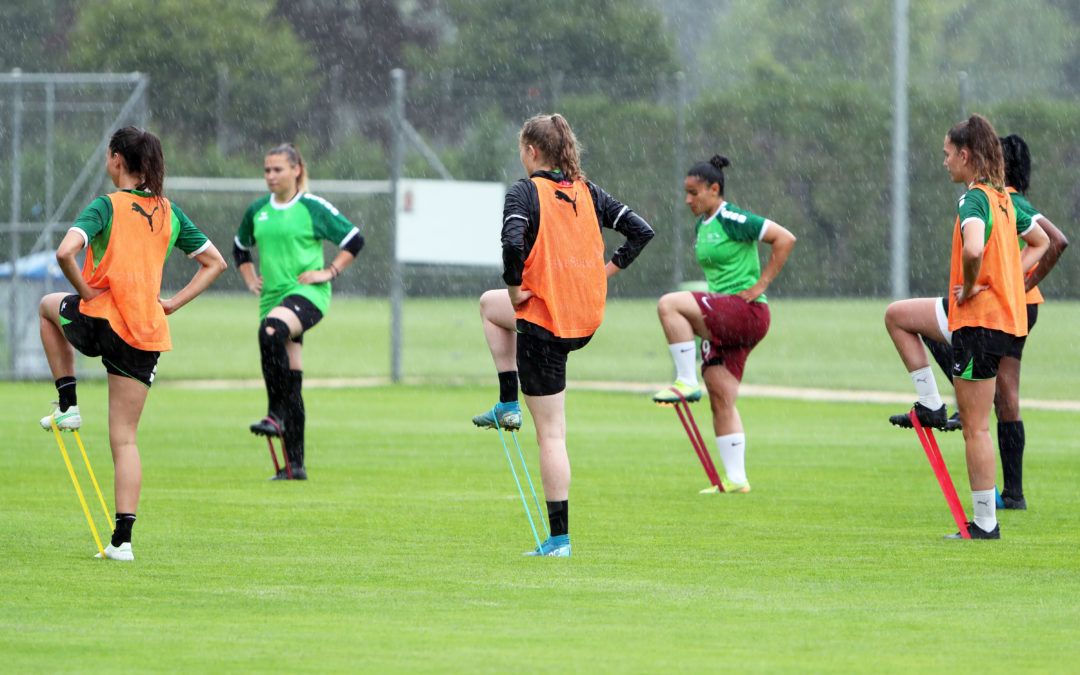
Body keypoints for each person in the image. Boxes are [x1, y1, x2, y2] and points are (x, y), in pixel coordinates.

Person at [38, 126, 228, 560]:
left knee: (48, 306)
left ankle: (67, 402)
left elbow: (65, 252)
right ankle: (122, 542)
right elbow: (214, 263)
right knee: (124, 440)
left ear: (116, 159)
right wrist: (174, 304)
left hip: (101, 320)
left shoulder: (106, 206)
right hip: (145, 334)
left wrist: (86, 293)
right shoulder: (168, 211)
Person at [471, 114, 654, 557]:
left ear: (532, 151)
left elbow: (513, 244)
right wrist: (603, 274)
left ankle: (558, 540)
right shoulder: (587, 192)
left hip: (545, 324)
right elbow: (641, 231)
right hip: (580, 319)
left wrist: (516, 288)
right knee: (490, 306)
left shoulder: (525, 190)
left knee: (551, 436)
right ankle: (507, 402)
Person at [883, 114, 1049, 540]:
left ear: (965, 154)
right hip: (998, 323)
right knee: (898, 316)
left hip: (978, 322)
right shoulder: (1004, 198)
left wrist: (972, 284)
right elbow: (1044, 242)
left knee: (976, 427)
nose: (944, 163)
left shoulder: (973, 199)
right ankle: (930, 404)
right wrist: (1008, 276)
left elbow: (974, 246)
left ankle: (985, 525)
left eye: (946, 154)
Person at [916, 134, 1067, 510]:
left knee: (952, 340)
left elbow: (1055, 240)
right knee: (1008, 396)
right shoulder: (1003, 198)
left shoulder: (1003, 198)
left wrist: (1018, 281)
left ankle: (964, 394)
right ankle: (1013, 493)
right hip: (1016, 305)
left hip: (996, 306)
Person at [652, 155, 796, 494]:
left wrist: (761, 285)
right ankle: (736, 480)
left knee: (669, 304)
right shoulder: (703, 223)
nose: (688, 199)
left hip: (745, 312)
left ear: (714, 189)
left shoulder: (732, 217)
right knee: (721, 397)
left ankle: (685, 381)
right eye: (686, 193)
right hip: (726, 315)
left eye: (694, 192)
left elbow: (785, 238)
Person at [234, 143, 364, 481]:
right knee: (292, 381)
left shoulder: (311, 207)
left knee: (271, 332)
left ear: (297, 170)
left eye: (278, 169)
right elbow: (239, 247)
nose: (271, 176)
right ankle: (295, 466)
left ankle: (274, 413)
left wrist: (330, 272)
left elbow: (353, 239)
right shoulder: (258, 210)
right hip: (272, 299)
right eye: (267, 170)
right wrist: (250, 278)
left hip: (308, 295)